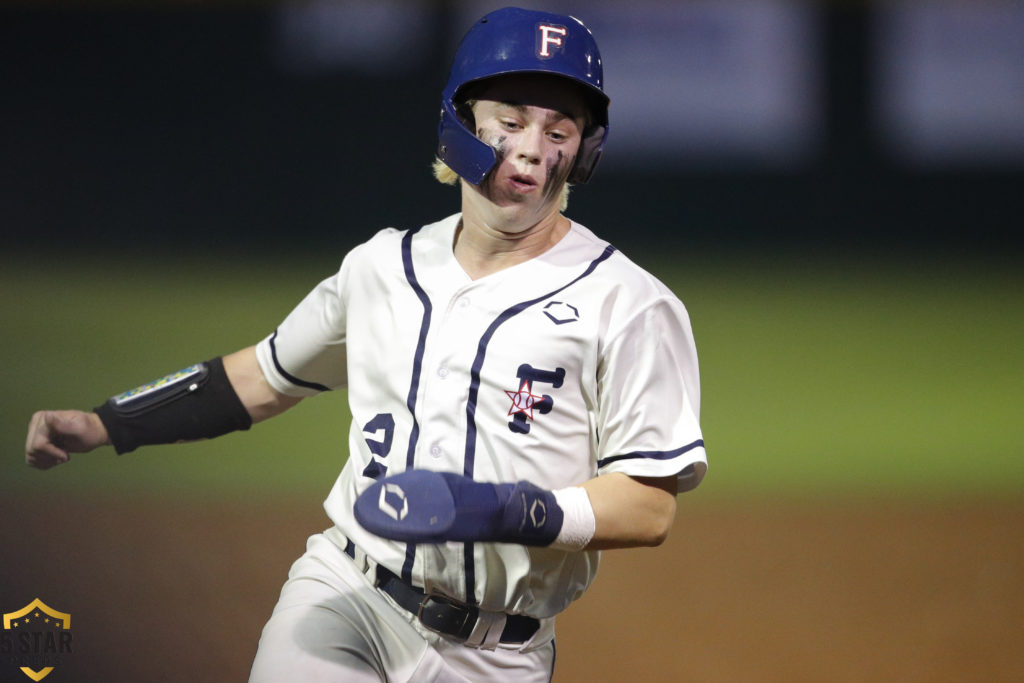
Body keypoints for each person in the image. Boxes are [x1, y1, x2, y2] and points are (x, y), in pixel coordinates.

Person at [24, 7, 707, 681]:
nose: (531, 147)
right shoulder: (382, 267)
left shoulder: (629, 302)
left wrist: (506, 508)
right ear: (461, 124)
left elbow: (650, 505)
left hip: (497, 653)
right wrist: (108, 421)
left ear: (584, 153)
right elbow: (262, 377)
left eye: (559, 130)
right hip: (346, 591)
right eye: (510, 120)